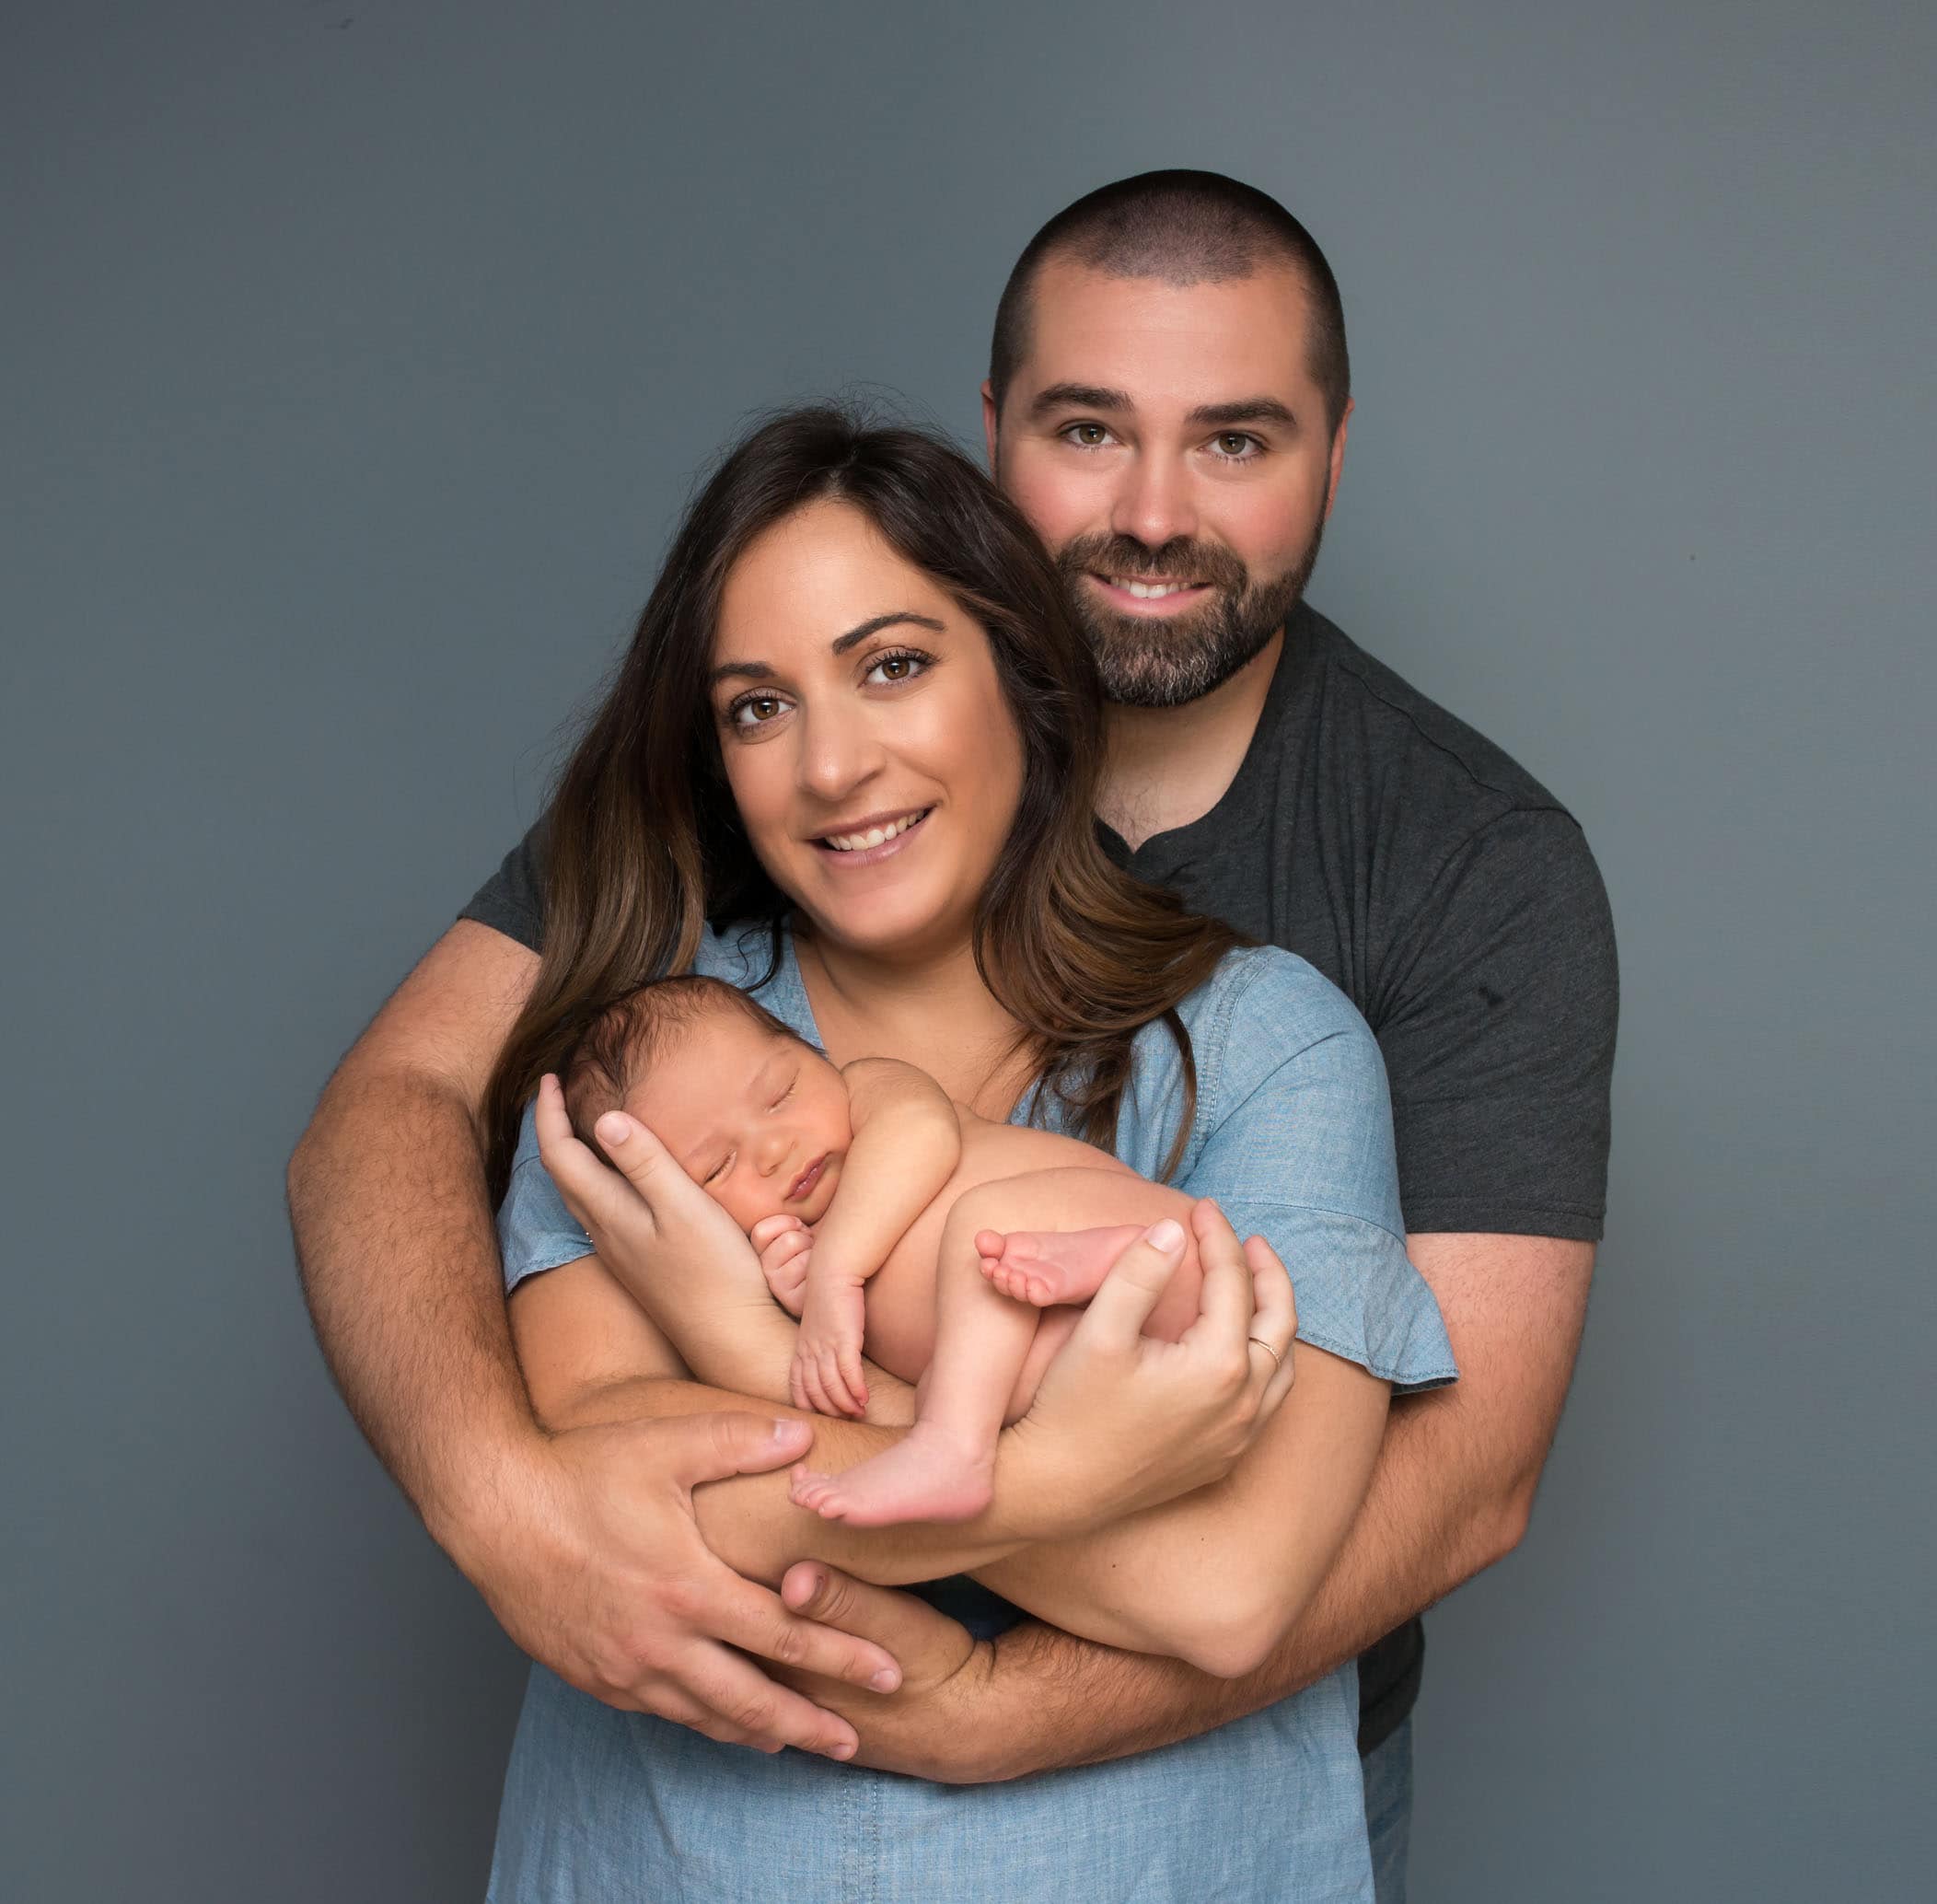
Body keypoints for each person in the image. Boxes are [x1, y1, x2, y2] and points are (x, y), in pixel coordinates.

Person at [287, 170, 1616, 1900]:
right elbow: (412, 1143)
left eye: (1231, 438)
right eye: (1085, 427)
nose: (834, 765)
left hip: (1181, 1802)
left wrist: (974, 1683)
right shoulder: (674, 990)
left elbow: (1352, 1534)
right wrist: (500, 1498)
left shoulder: (1364, 950)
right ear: (993, 442)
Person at [481, 405, 1453, 1897]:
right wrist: (1076, 1476)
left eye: (890, 665)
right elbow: (606, 1521)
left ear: (1019, 669)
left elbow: (1231, 1589)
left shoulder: (1277, 1046)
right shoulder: (654, 1071)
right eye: (756, 706)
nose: (828, 766)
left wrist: (740, 1340)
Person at [556, 970, 1233, 1527]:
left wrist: (834, 1274)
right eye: (715, 1169)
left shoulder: (871, 1094)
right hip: (1099, 1366)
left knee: (987, 1225)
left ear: (813, 1053)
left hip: (1168, 1258)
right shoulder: (781, 1254)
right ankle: (963, 1430)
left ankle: (956, 1444)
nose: (772, 1147)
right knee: (956, 1372)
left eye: (781, 1092)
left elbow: (921, 1135)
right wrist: (795, 1287)